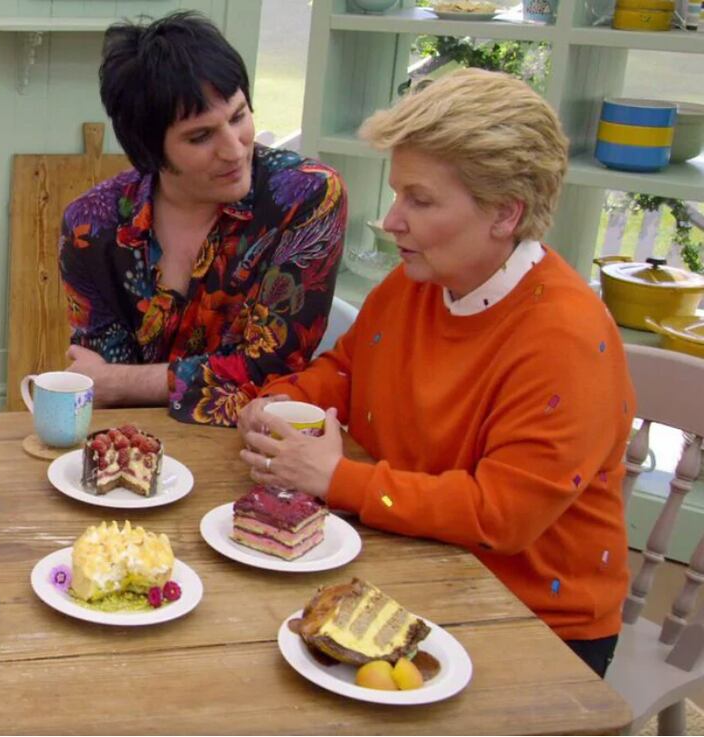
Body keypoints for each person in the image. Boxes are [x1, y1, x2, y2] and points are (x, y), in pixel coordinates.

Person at [236, 69, 633, 677]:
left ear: (505, 214)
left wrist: (340, 479)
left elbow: (500, 515)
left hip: (534, 622)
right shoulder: (417, 281)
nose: (391, 220)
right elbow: (347, 372)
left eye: (418, 200)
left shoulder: (567, 340)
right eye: (397, 194)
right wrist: (280, 401)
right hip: (413, 562)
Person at [59, 10, 346, 426]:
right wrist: (116, 384)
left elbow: (273, 370)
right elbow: (98, 378)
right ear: (149, 151)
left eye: (238, 116)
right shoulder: (91, 225)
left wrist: (124, 382)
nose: (234, 149)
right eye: (200, 136)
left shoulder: (307, 196)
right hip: (133, 452)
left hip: (257, 450)